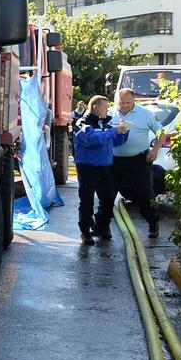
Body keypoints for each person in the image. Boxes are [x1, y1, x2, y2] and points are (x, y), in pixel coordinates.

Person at [72, 95, 128, 246]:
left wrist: (123, 131)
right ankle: (85, 232)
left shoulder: (105, 124)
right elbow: (91, 139)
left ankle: (102, 226)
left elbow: (116, 141)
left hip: (105, 167)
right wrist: (114, 131)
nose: (107, 110)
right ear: (95, 108)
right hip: (87, 168)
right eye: (105, 107)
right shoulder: (82, 123)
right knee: (86, 201)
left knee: (108, 199)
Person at [109, 87, 164, 238]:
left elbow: (161, 132)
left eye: (127, 103)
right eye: (121, 103)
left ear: (134, 100)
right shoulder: (109, 113)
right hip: (114, 159)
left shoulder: (145, 114)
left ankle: (153, 223)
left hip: (139, 158)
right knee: (108, 192)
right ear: (117, 101)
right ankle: (102, 225)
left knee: (145, 192)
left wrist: (155, 150)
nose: (124, 106)